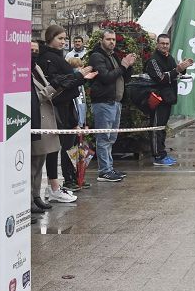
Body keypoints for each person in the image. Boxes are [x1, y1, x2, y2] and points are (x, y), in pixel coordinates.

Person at [38, 25, 97, 199]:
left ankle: (62, 182)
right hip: (55, 109)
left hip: (66, 108)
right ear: (50, 39)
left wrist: (78, 77)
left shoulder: (57, 57)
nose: (63, 42)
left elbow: (65, 82)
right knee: (56, 148)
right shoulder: (48, 58)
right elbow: (56, 85)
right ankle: (55, 185)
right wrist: (78, 76)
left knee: (66, 146)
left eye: (65, 39)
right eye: (60, 38)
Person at [88, 30, 137, 183]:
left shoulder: (113, 56)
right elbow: (106, 77)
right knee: (103, 138)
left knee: (111, 138)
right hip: (104, 103)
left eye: (113, 40)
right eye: (108, 39)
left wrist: (128, 66)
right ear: (101, 40)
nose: (112, 42)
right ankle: (104, 171)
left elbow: (123, 77)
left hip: (116, 102)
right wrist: (122, 67)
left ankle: (109, 168)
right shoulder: (97, 56)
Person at [146, 33, 193, 166]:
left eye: (167, 44)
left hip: (168, 98)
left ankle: (162, 153)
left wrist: (182, 68)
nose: (165, 46)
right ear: (157, 44)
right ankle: (157, 156)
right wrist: (177, 70)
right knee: (156, 128)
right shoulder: (153, 60)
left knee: (162, 127)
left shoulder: (169, 58)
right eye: (162, 43)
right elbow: (161, 78)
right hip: (157, 99)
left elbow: (174, 72)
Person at [30, 48, 60, 216]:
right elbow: (36, 96)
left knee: (40, 160)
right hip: (37, 118)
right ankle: (29, 199)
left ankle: (36, 196)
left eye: (36, 50)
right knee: (33, 163)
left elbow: (47, 88)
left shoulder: (37, 68)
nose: (34, 53)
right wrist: (53, 88)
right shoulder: (23, 71)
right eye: (30, 50)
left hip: (46, 118)